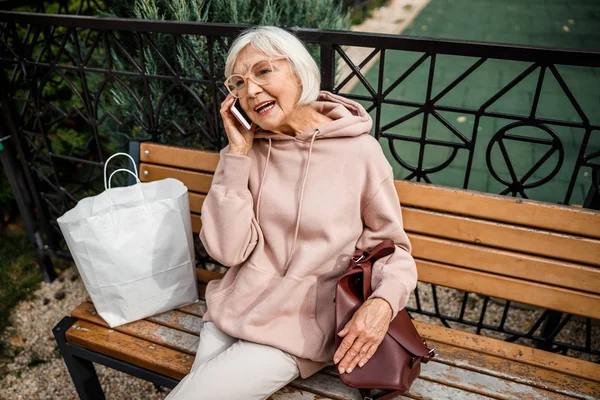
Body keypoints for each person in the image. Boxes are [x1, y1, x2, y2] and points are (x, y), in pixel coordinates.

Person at [166, 26, 417, 400]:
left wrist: (383, 302)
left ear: (299, 71)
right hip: (233, 312)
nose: (249, 91)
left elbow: (394, 249)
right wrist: (236, 155)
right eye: (238, 82)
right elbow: (226, 251)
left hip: (297, 330)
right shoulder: (245, 151)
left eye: (264, 71)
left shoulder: (359, 152)